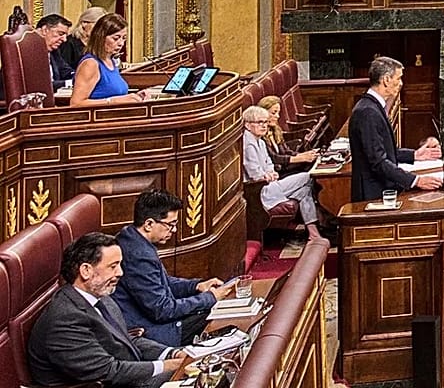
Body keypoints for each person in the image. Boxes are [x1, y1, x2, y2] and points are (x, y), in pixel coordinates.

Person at [28, 230, 188, 388]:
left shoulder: (100, 296)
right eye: (113, 266)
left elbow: (126, 339)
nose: (120, 273)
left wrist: (171, 353)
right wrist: (169, 366)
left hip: (126, 372)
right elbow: (108, 371)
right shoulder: (65, 320)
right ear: (86, 271)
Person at [112, 189, 233, 347]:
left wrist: (196, 286)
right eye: (171, 225)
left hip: (161, 322)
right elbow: (162, 310)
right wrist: (210, 298)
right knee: (226, 318)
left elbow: (164, 283)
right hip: (157, 333)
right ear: (149, 224)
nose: (174, 230)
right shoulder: (138, 255)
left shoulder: (132, 238)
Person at [348, 56, 444, 201]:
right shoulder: (367, 112)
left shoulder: (372, 107)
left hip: (381, 190)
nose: (401, 83)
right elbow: (378, 162)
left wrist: (415, 155)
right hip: (374, 195)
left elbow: (384, 151)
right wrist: (415, 180)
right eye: (398, 78)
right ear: (386, 80)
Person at [240, 106, 325, 242]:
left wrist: (271, 172)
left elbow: (269, 163)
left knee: (304, 190)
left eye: (265, 122)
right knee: (308, 176)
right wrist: (268, 176)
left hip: (271, 184)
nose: (264, 126)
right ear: (248, 125)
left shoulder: (260, 141)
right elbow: (255, 173)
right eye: (259, 122)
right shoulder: (248, 144)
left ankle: (314, 234)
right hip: (261, 191)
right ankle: (323, 221)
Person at [69, 14, 151, 104]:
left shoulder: (111, 61)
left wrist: (135, 97)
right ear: (101, 37)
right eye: (116, 38)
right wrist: (112, 101)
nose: (121, 43)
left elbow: (113, 94)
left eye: (124, 38)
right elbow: (76, 103)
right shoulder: (90, 64)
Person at [53, 6, 104, 85]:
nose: (101, 30)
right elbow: (64, 70)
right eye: (97, 25)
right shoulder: (69, 42)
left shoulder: (98, 44)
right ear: (84, 23)